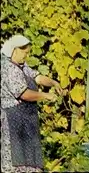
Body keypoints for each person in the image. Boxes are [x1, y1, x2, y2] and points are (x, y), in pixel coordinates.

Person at [1, 34, 64, 173]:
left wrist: (53, 82)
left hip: (25, 120)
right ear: (15, 49)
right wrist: (45, 95)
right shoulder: (9, 69)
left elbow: (37, 77)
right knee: (16, 160)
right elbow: (24, 94)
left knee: (29, 159)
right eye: (25, 52)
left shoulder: (21, 65)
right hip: (13, 120)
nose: (26, 56)